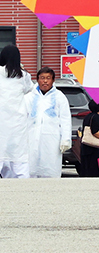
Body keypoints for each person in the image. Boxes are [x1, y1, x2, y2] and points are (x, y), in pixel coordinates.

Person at [27, 66, 70, 179]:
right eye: (42, 78)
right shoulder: (30, 97)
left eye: (48, 78)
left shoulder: (60, 97)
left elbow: (65, 119)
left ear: (53, 80)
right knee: (31, 167)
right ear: (37, 80)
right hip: (31, 137)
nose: (45, 81)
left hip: (52, 139)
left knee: (50, 167)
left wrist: (65, 139)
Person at [0, 45, 33, 178]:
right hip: (17, 121)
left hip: (1, 120)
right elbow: (29, 89)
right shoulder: (23, 75)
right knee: (18, 153)